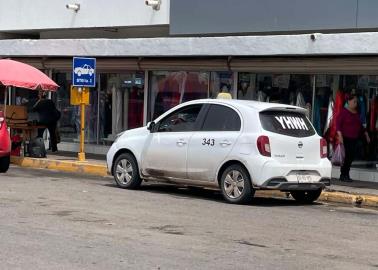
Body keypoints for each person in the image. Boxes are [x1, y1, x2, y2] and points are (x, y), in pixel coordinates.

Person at [336, 94, 370, 182]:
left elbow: (360, 125)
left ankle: (346, 174)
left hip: (354, 138)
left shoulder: (356, 113)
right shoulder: (344, 112)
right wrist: (340, 136)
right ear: (349, 102)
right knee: (347, 157)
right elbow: (338, 125)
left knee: (350, 157)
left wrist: (366, 134)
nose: (356, 103)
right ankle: (343, 175)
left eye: (356, 102)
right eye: (354, 101)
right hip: (346, 138)